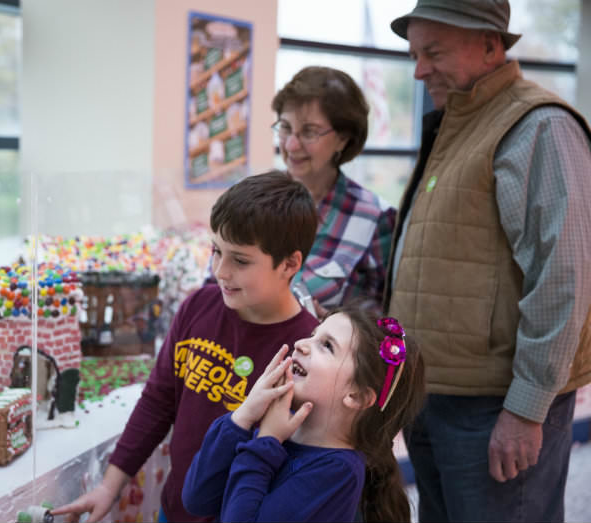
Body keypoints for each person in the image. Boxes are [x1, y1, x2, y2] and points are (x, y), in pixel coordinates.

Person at [384, 1, 591, 521]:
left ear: (490, 45)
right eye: (414, 53)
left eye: (433, 52)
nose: (418, 69)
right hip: (433, 397)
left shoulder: (539, 126)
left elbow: (563, 276)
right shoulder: (459, 123)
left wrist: (526, 408)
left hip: (495, 407)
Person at [51, 171, 320, 523]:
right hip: (174, 509)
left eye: (240, 260)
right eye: (216, 250)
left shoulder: (307, 349)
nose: (220, 270)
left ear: (289, 264)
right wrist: (109, 486)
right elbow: (158, 401)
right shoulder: (198, 306)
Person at [182, 307, 425, 522]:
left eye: (327, 345)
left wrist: (266, 442)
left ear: (357, 397)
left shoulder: (338, 472)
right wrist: (243, 416)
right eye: (313, 334)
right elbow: (197, 499)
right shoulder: (278, 431)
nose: (301, 343)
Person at [272, 66, 396, 315]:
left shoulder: (375, 218)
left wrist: (334, 325)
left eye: (309, 131)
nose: (291, 144)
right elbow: (216, 283)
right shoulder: (254, 201)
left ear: (344, 138)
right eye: (285, 127)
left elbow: (384, 323)